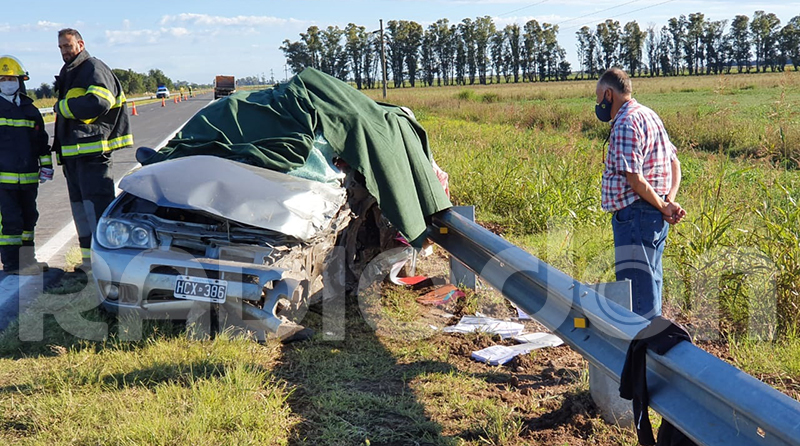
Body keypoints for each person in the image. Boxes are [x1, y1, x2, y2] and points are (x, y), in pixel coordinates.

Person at [595, 67, 686, 319]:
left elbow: (634, 179)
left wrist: (664, 205)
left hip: (635, 215)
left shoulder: (625, 122)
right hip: (654, 215)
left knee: (636, 292)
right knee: (651, 281)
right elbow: (674, 163)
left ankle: (644, 349)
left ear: (609, 94)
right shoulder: (649, 115)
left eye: (599, 95)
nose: (597, 102)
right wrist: (668, 202)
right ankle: (652, 346)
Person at [53, 28, 133, 273]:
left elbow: (100, 101)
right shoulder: (70, 72)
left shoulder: (92, 67)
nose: (65, 51)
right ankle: (89, 266)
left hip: (92, 157)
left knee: (97, 211)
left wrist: (63, 107)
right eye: (61, 48)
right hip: (73, 159)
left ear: (80, 43)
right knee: (81, 214)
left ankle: (107, 266)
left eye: (68, 46)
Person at [0, 55, 52, 275]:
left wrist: (47, 166)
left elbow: (41, 142)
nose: (7, 81)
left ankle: (28, 262)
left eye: (11, 77)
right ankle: (12, 265)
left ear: (21, 80)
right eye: (2, 78)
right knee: (11, 222)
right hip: (3, 180)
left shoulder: (31, 110)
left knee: (29, 218)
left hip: (29, 177)